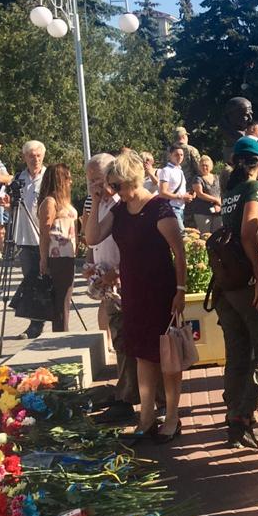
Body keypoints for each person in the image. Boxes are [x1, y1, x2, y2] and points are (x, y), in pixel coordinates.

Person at [84, 150, 187, 444]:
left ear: (132, 179)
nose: (113, 190)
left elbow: (179, 253)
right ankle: (146, 417)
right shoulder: (119, 210)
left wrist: (181, 291)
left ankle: (172, 417)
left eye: (116, 185)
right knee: (142, 356)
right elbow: (91, 238)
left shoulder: (159, 208)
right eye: (111, 185)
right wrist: (94, 202)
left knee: (167, 357)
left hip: (161, 293)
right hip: (133, 293)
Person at [214, 137, 258, 449]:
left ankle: (235, 418)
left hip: (227, 283)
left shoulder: (230, 192)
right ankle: (243, 414)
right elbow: (249, 233)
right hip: (249, 279)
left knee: (237, 354)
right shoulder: (255, 189)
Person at [36, 163, 78, 332]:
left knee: (65, 297)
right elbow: (44, 233)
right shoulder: (50, 202)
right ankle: (61, 332)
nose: (70, 182)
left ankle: (62, 330)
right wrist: (44, 259)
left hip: (68, 254)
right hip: (57, 256)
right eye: (67, 178)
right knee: (61, 299)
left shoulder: (63, 202)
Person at [13, 141, 48, 338]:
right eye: (31, 156)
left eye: (38, 155)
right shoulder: (19, 178)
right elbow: (8, 203)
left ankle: (55, 321)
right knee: (31, 281)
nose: (35, 159)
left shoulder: (49, 176)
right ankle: (35, 323)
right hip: (24, 236)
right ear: (25, 157)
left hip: (45, 235)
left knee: (47, 280)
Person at [156, 146, 194, 228]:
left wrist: (188, 195)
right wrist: (181, 197)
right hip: (171, 208)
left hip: (181, 208)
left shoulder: (180, 171)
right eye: (176, 155)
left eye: (181, 155)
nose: (179, 157)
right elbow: (162, 193)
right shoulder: (166, 170)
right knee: (181, 233)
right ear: (170, 155)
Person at [187, 155, 222, 233]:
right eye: (202, 165)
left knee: (217, 234)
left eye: (206, 165)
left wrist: (218, 204)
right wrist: (216, 200)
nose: (204, 167)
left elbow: (221, 191)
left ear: (211, 166)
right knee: (205, 235)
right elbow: (200, 194)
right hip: (202, 211)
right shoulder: (197, 179)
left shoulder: (217, 177)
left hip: (217, 210)